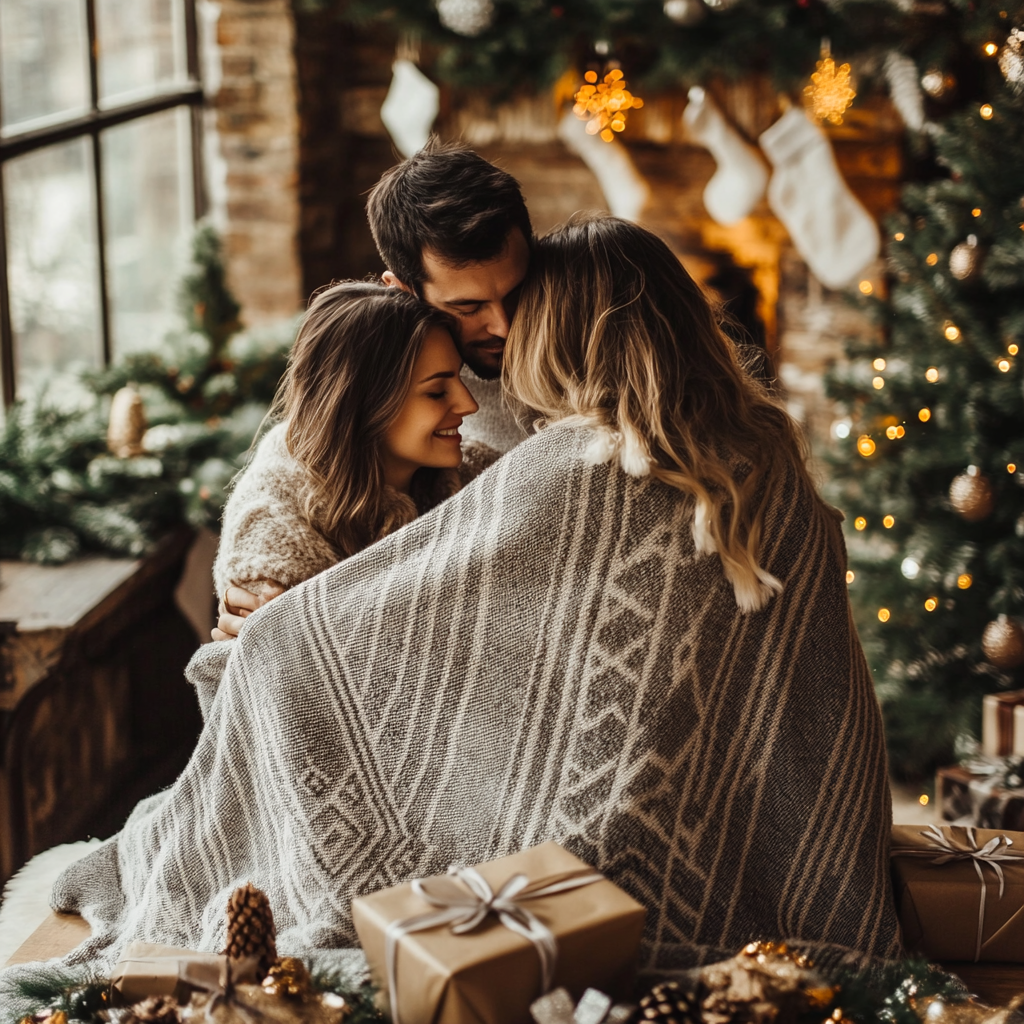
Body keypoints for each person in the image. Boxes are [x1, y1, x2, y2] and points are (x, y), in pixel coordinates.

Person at [41, 214, 899, 978]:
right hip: (743, 849)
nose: (495, 349)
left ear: (565, 336)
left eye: (515, 320)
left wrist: (275, 634)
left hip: (592, 855)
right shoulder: (770, 454)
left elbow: (403, 610)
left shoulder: (570, 467)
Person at [217, 139, 534, 637]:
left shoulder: (580, 330)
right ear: (403, 293)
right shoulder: (377, 398)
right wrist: (263, 641)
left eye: (517, 293)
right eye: (469, 307)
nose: (506, 326)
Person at [210, 281, 496, 640]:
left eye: (459, 379)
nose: (469, 404)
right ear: (363, 406)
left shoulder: (480, 475)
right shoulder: (271, 537)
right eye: (437, 391)